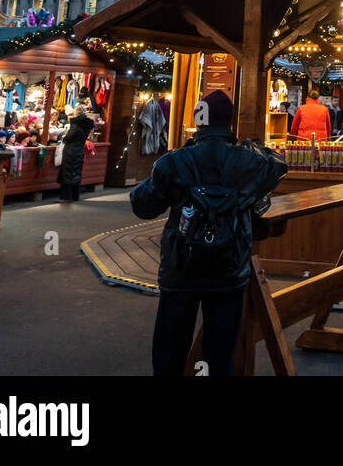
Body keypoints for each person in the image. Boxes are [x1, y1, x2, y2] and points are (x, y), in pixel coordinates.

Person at [130, 89, 286, 377]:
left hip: (181, 267)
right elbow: (277, 165)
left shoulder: (174, 161)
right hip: (229, 267)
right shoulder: (249, 162)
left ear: (198, 120)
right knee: (221, 354)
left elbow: (143, 206)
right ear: (229, 123)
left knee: (169, 352)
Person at [56, 106, 95, 202]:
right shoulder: (86, 124)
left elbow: (69, 137)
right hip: (79, 150)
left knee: (67, 173)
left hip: (71, 151)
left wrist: (65, 137)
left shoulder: (76, 124)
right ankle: (75, 195)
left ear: (76, 113)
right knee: (76, 173)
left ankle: (66, 197)